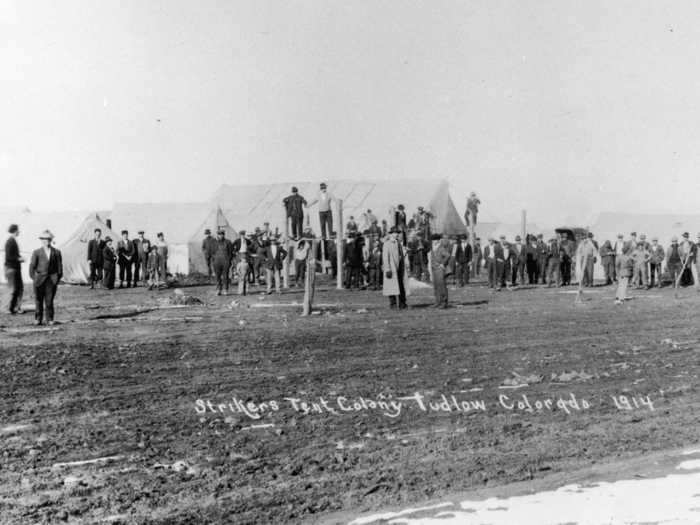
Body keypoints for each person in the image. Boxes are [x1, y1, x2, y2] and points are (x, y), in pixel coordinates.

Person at [28, 230, 63, 326]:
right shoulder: (37, 252)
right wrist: (34, 278)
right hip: (39, 280)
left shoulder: (56, 252)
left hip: (51, 280)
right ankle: (38, 319)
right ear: (41, 240)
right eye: (43, 239)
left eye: (47, 239)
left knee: (49, 300)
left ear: (50, 240)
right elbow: (32, 266)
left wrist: (56, 279)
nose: (45, 241)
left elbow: (60, 267)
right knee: (38, 300)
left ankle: (50, 319)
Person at [382, 227, 409, 309]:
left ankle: (402, 304)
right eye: (395, 232)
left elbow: (400, 256)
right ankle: (393, 304)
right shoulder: (387, 244)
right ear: (391, 234)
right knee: (391, 287)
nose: (397, 234)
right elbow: (385, 257)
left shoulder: (398, 243)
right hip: (392, 269)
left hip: (399, 268)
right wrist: (388, 269)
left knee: (401, 286)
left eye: (397, 232)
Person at [5, 224, 24, 314]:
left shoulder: (12, 241)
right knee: (13, 289)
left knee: (19, 288)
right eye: (18, 230)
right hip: (11, 269)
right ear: (15, 231)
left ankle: (15, 307)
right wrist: (19, 259)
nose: (19, 232)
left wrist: (19, 257)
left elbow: (13, 255)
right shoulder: (10, 242)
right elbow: (9, 257)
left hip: (15, 268)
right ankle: (9, 308)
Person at [431, 235, 452, 308]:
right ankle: (437, 302)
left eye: (435, 240)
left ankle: (444, 302)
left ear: (439, 240)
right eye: (433, 240)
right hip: (434, 268)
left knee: (442, 286)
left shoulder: (441, 248)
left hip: (440, 269)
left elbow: (448, 255)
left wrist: (443, 264)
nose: (434, 241)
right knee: (436, 286)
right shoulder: (433, 248)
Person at [212, 230, 233, 296]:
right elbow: (212, 252)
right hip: (217, 262)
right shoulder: (214, 242)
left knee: (225, 276)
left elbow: (231, 253)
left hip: (225, 261)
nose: (220, 236)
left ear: (224, 235)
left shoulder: (228, 242)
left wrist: (229, 261)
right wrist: (214, 260)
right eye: (219, 234)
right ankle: (218, 290)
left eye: (222, 234)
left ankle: (225, 290)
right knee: (217, 276)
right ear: (217, 235)